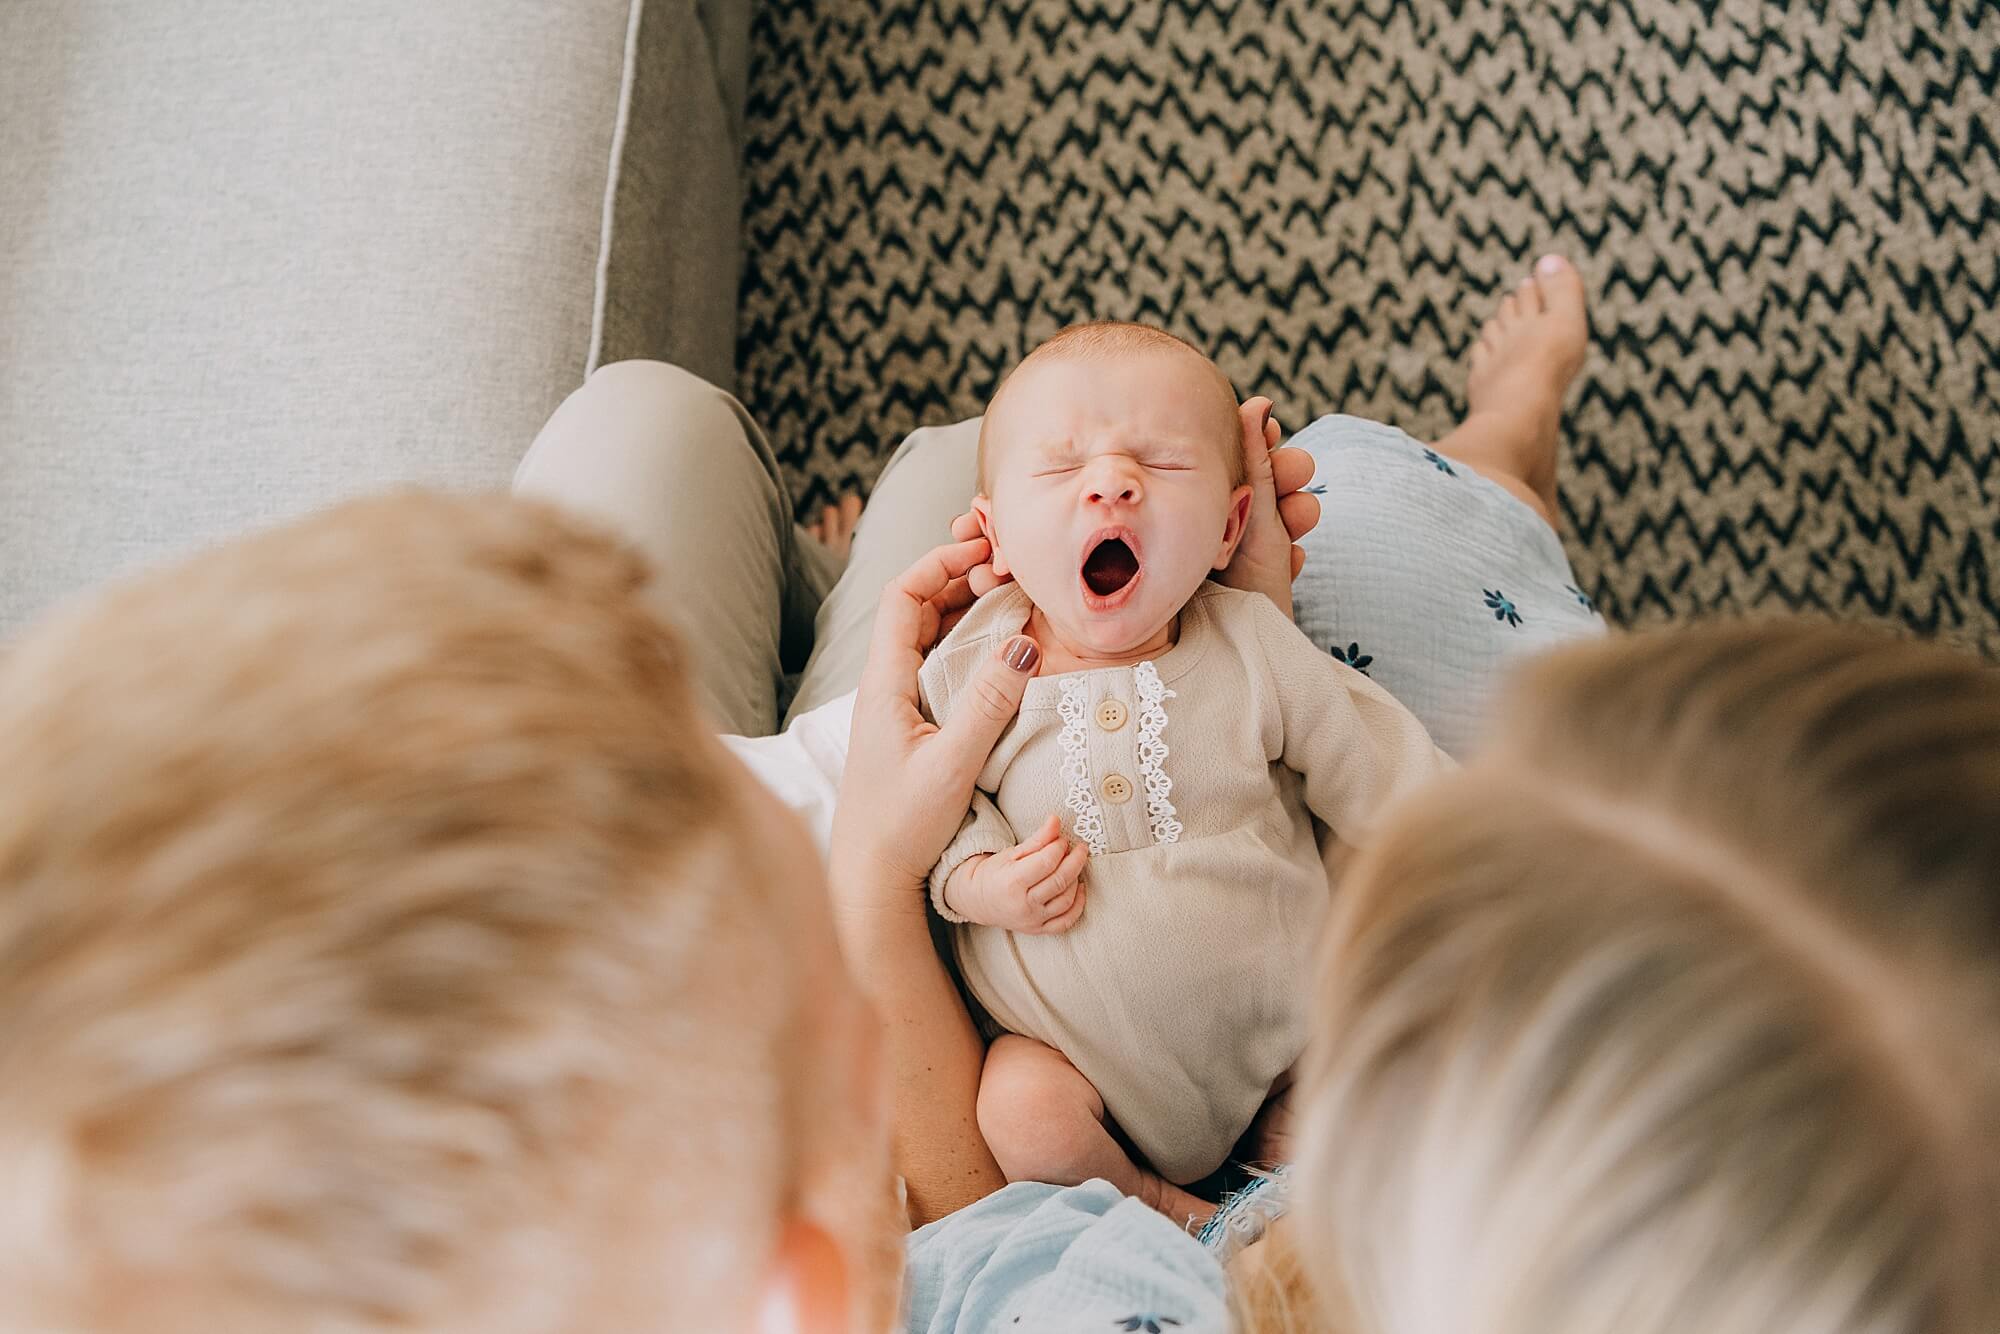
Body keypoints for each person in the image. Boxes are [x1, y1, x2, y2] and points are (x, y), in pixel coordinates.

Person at [918, 321, 1448, 1223]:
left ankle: (1288, 1143)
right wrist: (976, 885)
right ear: (995, 541)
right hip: (1077, 1063)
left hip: (1283, 1034)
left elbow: (1372, 757)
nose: (1112, 482)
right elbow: (939, 804)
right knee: (1019, 1113)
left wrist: (1482, 841)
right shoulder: (970, 665)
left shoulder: (1253, 646)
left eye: (1162, 466)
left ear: (1230, 527)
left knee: (1387, 1032)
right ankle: (1162, 1204)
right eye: (1060, 469)